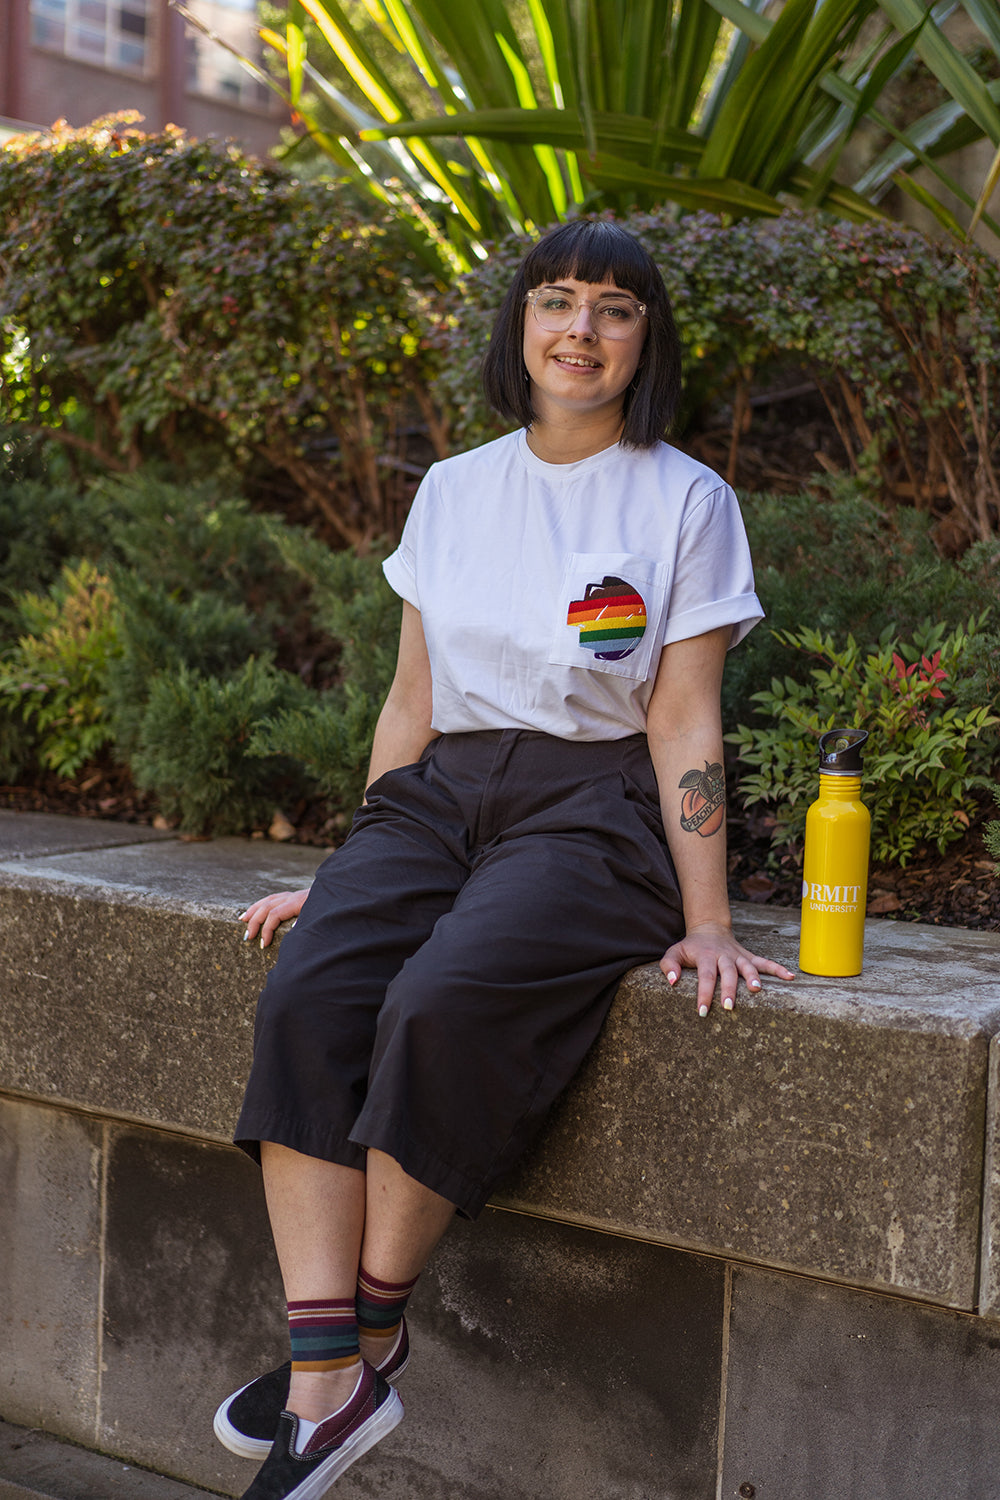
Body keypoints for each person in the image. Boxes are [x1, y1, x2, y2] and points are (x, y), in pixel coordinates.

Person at [214, 216, 795, 1500]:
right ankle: (333, 1376)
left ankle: (354, 1350)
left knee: (441, 1001)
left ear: (646, 342)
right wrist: (355, 868)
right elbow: (412, 704)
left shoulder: (684, 498)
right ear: (519, 324)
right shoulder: (454, 488)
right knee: (313, 986)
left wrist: (706, 916)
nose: (579, 330)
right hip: (437, 796)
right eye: (556, 301)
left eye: (613, 309)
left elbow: (682, 715)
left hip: (593, 810)